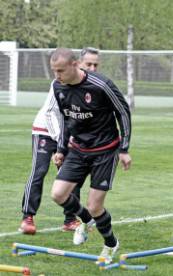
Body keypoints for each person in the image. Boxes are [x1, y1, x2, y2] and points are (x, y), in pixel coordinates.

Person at [48, 48, 131, 264]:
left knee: (95, 206)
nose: (57, 76)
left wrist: (124, 148)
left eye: (61, 71)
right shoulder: (58, 86)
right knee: (58, 195)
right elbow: (66, 120)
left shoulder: (101, 85)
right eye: (54, 71)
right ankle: (86, 220)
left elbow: (123, 112)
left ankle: (111, 243)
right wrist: (60, 149)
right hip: (77, 149)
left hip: (104, 150)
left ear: (75, 65)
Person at [19, 47, 101, 235]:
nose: (92, 68)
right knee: (39, 170)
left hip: (67, 137)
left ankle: (70, 219)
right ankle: (28, 217)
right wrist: (59, 145)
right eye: (89, 64)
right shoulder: (61, 81)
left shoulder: (92, 85)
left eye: (96, 65)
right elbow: (50, 113)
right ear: (78, 63)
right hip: (45, 130)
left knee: (71, 177)